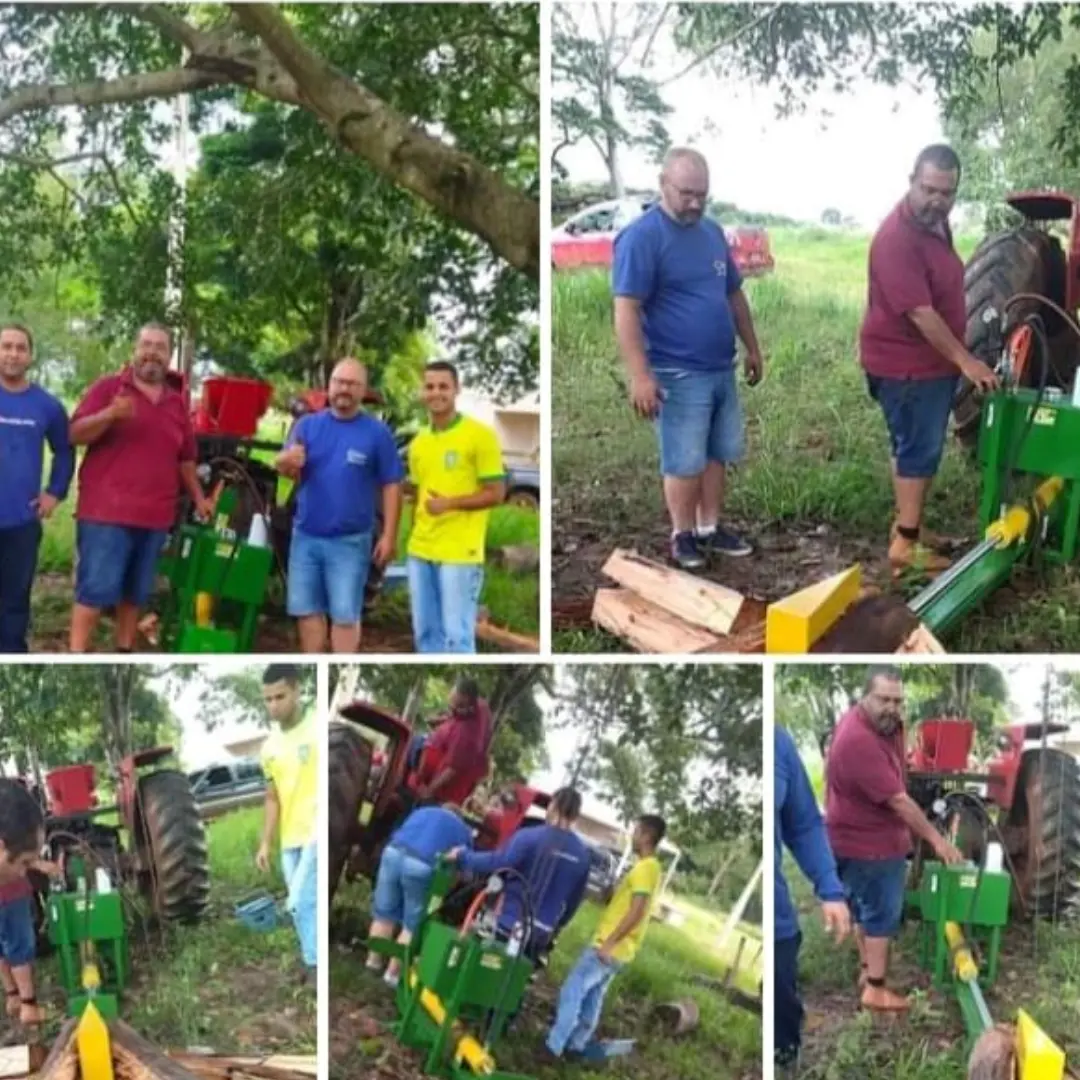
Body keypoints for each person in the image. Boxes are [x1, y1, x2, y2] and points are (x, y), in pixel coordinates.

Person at [612, 147, 765, 571]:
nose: (695, 203)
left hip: (720, 367)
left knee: (717, 453)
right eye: (686, 193)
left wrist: (751, 347)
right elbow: (625, 308)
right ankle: (681, 535)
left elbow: (733, 293)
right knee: (684, 457)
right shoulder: (643, 237)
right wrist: (640, 376)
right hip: (675, 371)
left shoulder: (712, 233)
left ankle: (709, 528)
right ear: (663, 184)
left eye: (702, 194)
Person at [860, 145, 1000, 576]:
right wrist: (967, 361)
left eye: (947, 192)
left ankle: (910, 526)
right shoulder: (896, 239)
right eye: (929, 190)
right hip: (908, 368)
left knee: (911, 447)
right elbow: (921, 314)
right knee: (919, 451)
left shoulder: (934, 225)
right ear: (911, 181)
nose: (937, 201)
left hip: (925, 366)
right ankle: (905, 545)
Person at [825, 666, 964, 1011]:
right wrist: (938, 840)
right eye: (883, 699)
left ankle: (865, 969)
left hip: (852, 835)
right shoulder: (858, 741)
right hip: (869, 844)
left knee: (866, 910)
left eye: (897, 701)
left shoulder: (881, 724)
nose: (892, 707)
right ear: (865, 697)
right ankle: (875, 988)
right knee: (882, 915)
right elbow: (900, 802)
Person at [68, 323, 213, 652]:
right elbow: (73, 434)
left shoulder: (177, 404)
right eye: (146, 345)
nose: (152, 352)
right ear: (135, 350)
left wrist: (200, 499)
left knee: (135, 593)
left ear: (169, 355)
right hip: (106, 513)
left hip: (154, 516)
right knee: (94, 590)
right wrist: (109, 414)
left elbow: (186, 459)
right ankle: (76, 652)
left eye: (160, 347)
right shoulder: (109, 389)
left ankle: (124, 649)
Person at [275, 358, 403, 654]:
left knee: (345, 615)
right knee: (307, 610)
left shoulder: (376, 434)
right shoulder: (307, 426)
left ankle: (340, 665)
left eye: (352, 383)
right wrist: (285, 461)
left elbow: (392, 484)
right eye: (339, 382)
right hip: (306, 537)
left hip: (350, 541)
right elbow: (283, 464)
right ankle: (315, 664)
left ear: (363, 390)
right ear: (329, 386)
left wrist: (389, 536)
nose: (344, 389)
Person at [545, 814, 667, 1061]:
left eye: (636, 831)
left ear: (646, 836)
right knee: (593, 996)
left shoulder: (645, 868)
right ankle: (576, 1046)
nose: (632, 836)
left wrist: (609, 942)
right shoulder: (651, 868)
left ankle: (553, 1046)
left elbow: (637, 910)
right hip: (623, 951)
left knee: (573, 990)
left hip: (609, 945)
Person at [406, 361, 506, 653]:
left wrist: (450, 503)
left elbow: (496, 493)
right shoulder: (419, 442)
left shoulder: (480, 435)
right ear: (422, 392)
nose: (436, 393)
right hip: (420, 549)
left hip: (460, 553)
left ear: (456, 389)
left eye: (443, 386)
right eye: (429, 386)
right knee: (425, 633)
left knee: (456, 635)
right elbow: (419, 494)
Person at [775, 725, 851, 1071]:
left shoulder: (779, 743)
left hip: (779, 928)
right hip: (771, 911)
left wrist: (830, 888)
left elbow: (803, 823)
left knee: (783, 1019)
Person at [448, 787, 591, 960]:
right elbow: (574, 902)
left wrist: (463, 856)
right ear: (576, 815)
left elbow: (498, 862)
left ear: (552, 806)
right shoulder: (583, 856)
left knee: (489, 971)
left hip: (510, 925)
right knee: (516, 979)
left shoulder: (530, 837)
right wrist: (557, 926)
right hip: (541, 935)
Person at [0, 324, 74, 652]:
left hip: (21, 522)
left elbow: (65, 450)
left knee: (15, 599)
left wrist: (54, 492)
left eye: (20, 348)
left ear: (30, 356)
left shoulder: (47, 406)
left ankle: (12, 650)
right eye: (6, 347)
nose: (12, 354)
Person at [366, 803, 473, 987]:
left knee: (384, 914)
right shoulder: (462, 830)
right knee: (412, 925)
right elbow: (464, 871)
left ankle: (372, 963)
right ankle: (391, 976)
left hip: (392, 853)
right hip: (421, 866)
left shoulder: (422, 811)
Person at [255, 664, 317, 982]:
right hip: (290, 837)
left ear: (296, 690)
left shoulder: (319, 726)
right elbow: (271, 797)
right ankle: (313, 962)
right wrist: (266, 842)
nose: (273, 705)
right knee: (303, 908)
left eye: (280, 696)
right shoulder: (269, 748)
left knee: (299, 901)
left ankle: (316, 966)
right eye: (267, 699)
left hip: (318, 832)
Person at [0, 779, 57, 1025]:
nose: (25, 873)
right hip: (11, 898)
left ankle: (13, 997)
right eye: (24, 863)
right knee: (19, 946)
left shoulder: (8, 857)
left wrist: (37, 863)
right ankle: (28, 1006)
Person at [408, 678, 493, 808]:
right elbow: (455, 715)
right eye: (451, 706)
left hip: (441, 794)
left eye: (456, 707)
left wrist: (429, 791)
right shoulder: (478, 706)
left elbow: (453, 769)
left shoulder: (468, 734)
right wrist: (442, 720)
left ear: (467, 704)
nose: (452, 710)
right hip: (429, 777)